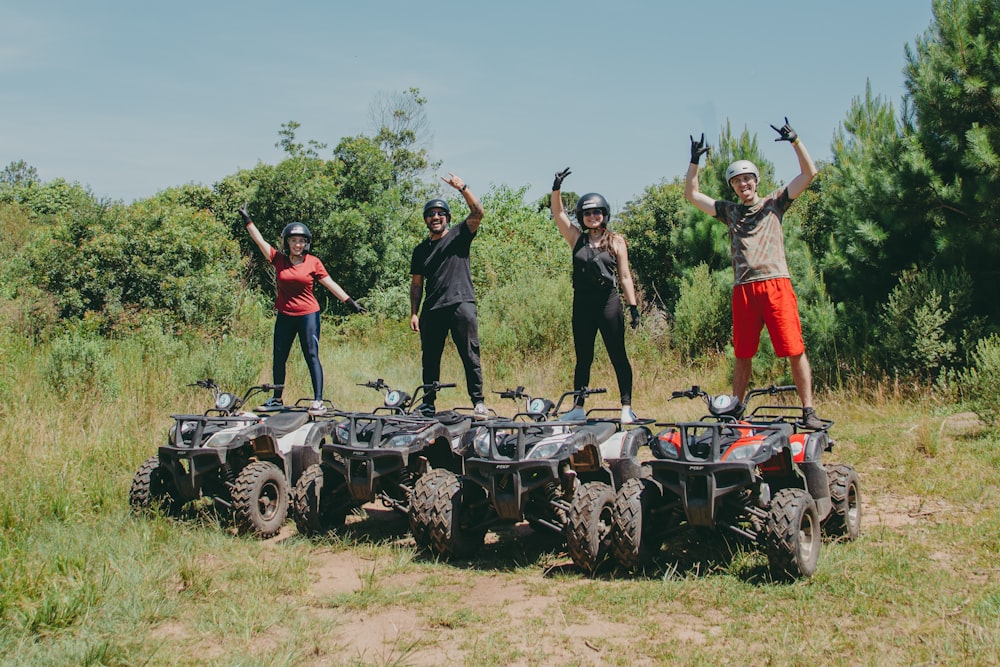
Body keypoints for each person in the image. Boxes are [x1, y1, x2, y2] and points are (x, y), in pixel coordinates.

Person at [683, 117, 824, 430]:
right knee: (743, 354)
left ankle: (808, 409)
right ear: (732, 186)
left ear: (756, 181)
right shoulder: (730, 211)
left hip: (776, 285)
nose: (743, 185)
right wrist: (694, 161)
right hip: (744, 288)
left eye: (748, 179)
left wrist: (795, 141)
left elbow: (809, 174)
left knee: (794, 349)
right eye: (737, 181)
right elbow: (692, 194)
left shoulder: (776, 202)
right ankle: (735, 410)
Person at [239, 205, 365, 416]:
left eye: (301, 241)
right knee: (279, 357)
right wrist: (247, 219)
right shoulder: (278, 259)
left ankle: (318, 401)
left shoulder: (313, 262)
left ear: (306, 243)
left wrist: (349, 301)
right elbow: (259, 241)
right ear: (287, 242)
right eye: (293, 240)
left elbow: (329, 283)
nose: (297, 244)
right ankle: (277, 398)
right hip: (285, 315)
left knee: (311, 355)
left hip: (308, 315)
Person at [550, 168, 641, 423]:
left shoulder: (617, 241)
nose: (592, 216)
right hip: (582, 303)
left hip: (608, 303)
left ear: (604, 214)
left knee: (617, 354)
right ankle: (578, 407)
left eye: (597, 212)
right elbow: (558, 213)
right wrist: (556, 187)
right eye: (587, 212)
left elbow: (624, 276)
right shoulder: (575, 238)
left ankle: (626, 407)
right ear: (581, 216)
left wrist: (632, 306)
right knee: (583, 357)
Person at [409, 172, 487, 417]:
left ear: (447, 218)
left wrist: (462, 187)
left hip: (461, 303)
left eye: (441, 213)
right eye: (431, 214)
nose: (436, 217)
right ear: (425, 220)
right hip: (432, 310)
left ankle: (478, 402)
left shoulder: (459, 235)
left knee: (469, 354)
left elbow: (478, 212)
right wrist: (413, 312)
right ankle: (428, 403)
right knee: (430, 359)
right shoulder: (420, 250)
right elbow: (416, 284)